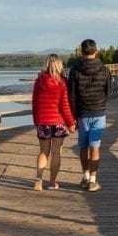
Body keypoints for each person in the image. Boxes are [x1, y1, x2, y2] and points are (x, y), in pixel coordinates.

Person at [67, 38, 111, 191]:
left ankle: (85, 177)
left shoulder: (75, 70)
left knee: (83, 146)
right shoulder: (104, 69)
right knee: (95, 147)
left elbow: (71, 95)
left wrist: (72, 117)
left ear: (81, 52)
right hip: (99, 112)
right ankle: (93, 180)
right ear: (96, 51)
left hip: (82, 113)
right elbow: (108, 91)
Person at [30, 53, 75, 190]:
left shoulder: (40, 81)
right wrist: (71, 122)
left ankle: (39, 178)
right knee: (56, 153)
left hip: (43, 121)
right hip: (58, 122)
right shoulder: (62, 83)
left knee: (43, 151)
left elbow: (35, 103)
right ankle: (52, 182)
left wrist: (36, 120)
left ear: (47, 64)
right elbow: (65, 105)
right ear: (59, 65)